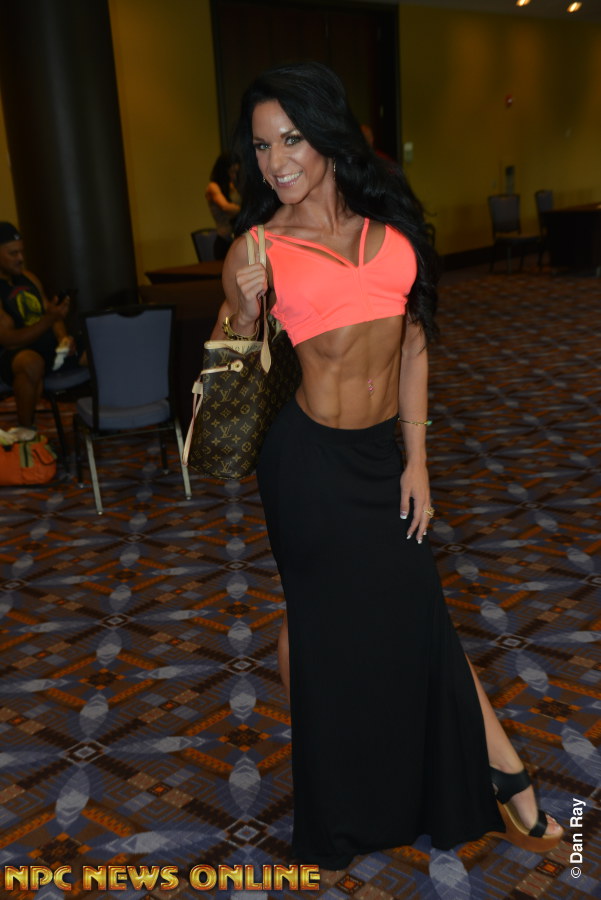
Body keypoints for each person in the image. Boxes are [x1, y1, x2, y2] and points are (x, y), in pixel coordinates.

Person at [211, 62, 564, 870]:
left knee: (415, 613)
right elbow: (229, 376)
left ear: (327, 137)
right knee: (319, 620)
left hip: (381, 459)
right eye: (261, 146)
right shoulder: (257, 246)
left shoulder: (392, 237)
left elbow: (412, 348)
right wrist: (242, 310)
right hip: (306, 464)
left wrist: (417, 461)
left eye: (291, 139)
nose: (275, 161)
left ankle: (489, 776)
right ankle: (487, 780)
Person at [0, 222, 79, 441]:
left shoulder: (29, 277)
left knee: (97, 349)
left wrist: (63, 338)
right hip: (14, 354)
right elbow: (9, 340)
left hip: (47, 346)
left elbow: (51, 314)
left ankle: (108, 419)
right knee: (31, 363)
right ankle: (26, 430)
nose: (20, 258)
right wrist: (50, 319)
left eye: (21, 252)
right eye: (13, 253)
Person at [204, 153, 241, 259]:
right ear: (224, 171)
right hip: (224, 241)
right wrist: (246, 209)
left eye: (236, 172)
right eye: (231, 172)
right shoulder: (213, 187)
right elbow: (225, 207)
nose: (234, 176)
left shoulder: (233, 187)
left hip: (237, 239)